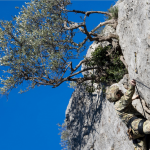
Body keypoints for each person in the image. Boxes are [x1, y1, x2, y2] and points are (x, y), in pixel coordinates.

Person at [106, 79, 150, 150]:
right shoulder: (119, 104)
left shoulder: (117, 105)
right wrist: (132, 86)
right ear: (118, 95)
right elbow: (126, 98)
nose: (120, 90)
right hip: (136, 125)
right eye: (119, 91)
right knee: (146, 127)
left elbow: (125, 102)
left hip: (134, 132)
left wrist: (133, 98)